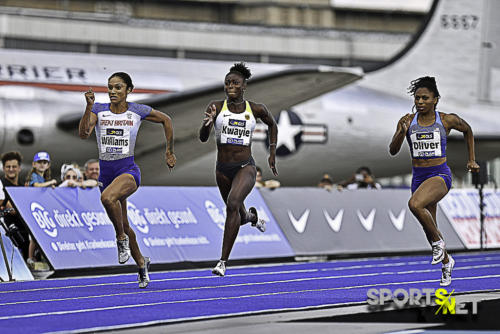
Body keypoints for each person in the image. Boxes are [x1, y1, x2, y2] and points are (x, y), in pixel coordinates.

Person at [78, 72, 176, 288]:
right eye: (110, 87)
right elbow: (84, 133)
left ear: (129, 90)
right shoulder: (98, 110)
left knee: (107, 199)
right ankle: (141, 263)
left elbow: (166, 120)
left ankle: (120, 239)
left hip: (128, 170)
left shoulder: (137, 111)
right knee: (123, 222)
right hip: (106, 173)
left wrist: (169, 152)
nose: (113, 91)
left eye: (118, 88)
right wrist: (88, 107)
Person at [389, 76, 479, 286]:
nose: (420, 102)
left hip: (439, 174)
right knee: (430, 227)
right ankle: (447, 262)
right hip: (418, 177)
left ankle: (439, 243)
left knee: (414, 204)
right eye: (417, 98)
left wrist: (472, 159)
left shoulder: (446, 120)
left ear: (435, 100)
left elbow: (468, 130)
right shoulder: (407, 121)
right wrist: (401, 133)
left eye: (425, 98)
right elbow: (393, 151)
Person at [199, 62, 278, 277]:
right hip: (222, 169)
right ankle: (253, 218)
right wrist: (207, 123)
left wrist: (272, 152)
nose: (230, 86)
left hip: (245, 167)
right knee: (239, 215)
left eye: (235, 83)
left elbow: (273, 124)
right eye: (227, 83)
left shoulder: (255, 109)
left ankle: (222, 261)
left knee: (233, 204)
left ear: (244, 86)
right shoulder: (216, 107)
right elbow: (203, 138)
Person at [0, 151, 29, 259]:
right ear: (3, 168)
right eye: (8, 167)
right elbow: (12, 210)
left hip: (25, 231)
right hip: (9, 233)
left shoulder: (22, 186)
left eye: (14, 166)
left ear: (19, 168)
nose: (11, 169)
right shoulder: (1, 185)